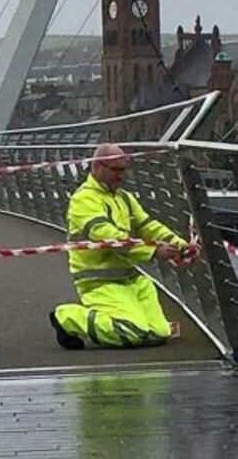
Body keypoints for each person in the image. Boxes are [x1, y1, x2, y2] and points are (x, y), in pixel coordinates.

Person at [49, 144, 190, 349]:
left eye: (123, 170)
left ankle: (110, 320)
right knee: (133, 333)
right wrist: (153, 251)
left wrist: (180, 245)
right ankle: (68, 317)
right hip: (99, 281)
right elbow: (107, 236)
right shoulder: (84, 199)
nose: (121, 176)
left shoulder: (124, 198)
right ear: (97, 167)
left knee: (160, 333)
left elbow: (148, 226)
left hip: (130, 278)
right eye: (115, 170)